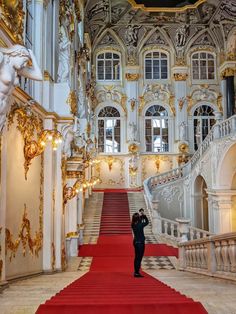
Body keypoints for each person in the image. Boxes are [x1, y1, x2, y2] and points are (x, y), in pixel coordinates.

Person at [131, 209, 149, 277]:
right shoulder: (140, 224)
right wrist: (143, 215)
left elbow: (138, 219)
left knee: (136, 257)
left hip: (135, 242)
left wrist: (141, 215)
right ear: (138, 218)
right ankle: (137, 273)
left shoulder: (133, 224)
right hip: (140, 243)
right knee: (139, 258)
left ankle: (136, 271)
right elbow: (147, 222)